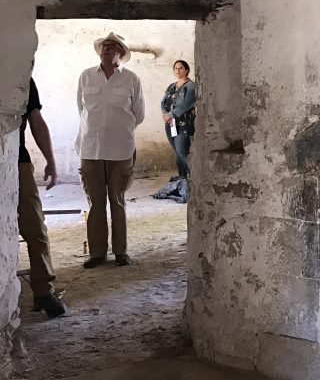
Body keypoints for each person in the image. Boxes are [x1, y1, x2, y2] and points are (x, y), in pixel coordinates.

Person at [76, 32, 145, 268]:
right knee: (95, 203)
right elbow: (81, 110)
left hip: (121, 150)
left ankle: (121, 251)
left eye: (112, 46)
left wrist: (118, 131)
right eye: (103, 45)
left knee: (117, 200)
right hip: (90, 149)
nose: (106, 48)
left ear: (121, 54)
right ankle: (97, 253)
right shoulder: (86, 76)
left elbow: (139, 114)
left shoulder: (131, 79)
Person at [17, 78, 66, 318]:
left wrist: (51, 161)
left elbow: (36, 122)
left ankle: (44, 291)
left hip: (16, 162)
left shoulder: (20, 73)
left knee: (35, 228)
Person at [160, 59, 196, 180]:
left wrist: (171, 115)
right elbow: (163, 102)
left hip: (184, 123)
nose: (178, 70)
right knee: (176, 151)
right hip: (170, 124)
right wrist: (166, 115)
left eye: (181, 68)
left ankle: (195, 176)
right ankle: (182, 178)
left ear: (186, 70)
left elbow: (187, 103)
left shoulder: (191, 86)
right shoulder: (171, 86)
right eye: (176, 68)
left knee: (181, 151)